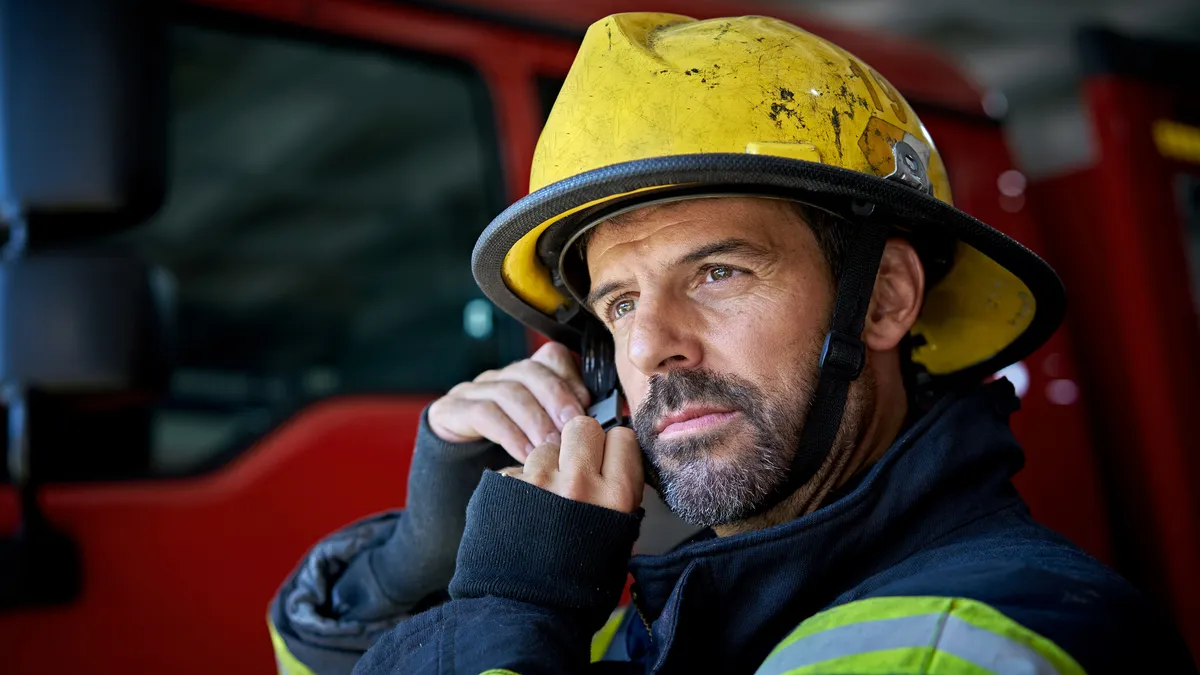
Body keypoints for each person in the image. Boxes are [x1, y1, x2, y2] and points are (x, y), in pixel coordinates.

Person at [268, 13, 1197, 675]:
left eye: (718, 272)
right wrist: (408, 578)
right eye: (620, 303)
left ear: (883, 301)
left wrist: (500, 617)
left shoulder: (946, 646)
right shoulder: (654, 602)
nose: (654, 350)